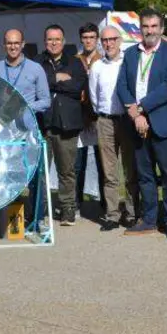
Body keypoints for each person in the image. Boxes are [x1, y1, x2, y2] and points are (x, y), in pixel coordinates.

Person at [116, 9, 167, 238]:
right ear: (140, 28)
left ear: (162, 29)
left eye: (154, 26)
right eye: (146, 26)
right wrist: (135, 115)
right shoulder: (130, 53)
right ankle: (149, 218)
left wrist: (142, 108)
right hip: (137, 125)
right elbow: (122, 86)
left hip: (162, 123)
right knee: (144, 174)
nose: (150, 30)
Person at [0, 29, 52, 229]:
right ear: (4, 45)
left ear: (23, 44)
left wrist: (24, 106)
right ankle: (1, 218)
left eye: (16, 43)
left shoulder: (35, 69)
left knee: (34, 176)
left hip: (28, 131)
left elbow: (45, 101)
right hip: (4, 133)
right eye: (9, 43)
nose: (13, 46)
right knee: (4, 173)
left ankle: (37, 218)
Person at [35, 25, 88, 225]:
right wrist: (57, 78)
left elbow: (78, 86)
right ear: (45, 41)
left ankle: (67, 209)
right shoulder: (37, 62)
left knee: (66, 171)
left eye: (57, 39)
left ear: (63, 41)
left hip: (67, 126)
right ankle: (39, 211)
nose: (54, 43)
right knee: (40, 172)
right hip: (43, 125)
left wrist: (49, 83)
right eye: (50, 39)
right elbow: (34, 85)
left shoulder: (74, 62)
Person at [88, 26, 136, 231]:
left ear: (120, 40)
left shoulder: (128, 62)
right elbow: (93, 95)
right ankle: (112, 214)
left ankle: (132, 212)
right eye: (105, 40)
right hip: (105, 120)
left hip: (126, 120)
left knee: (130, 169)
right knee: (109, 171)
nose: (109, 43)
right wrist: (101, 116)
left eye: (112, 39)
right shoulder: (97, 66)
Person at [74, 23, 102, 214]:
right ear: (81, 39)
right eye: (85, 37)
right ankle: (76, 203)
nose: (88, 40)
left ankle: (106, 204)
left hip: (99, 118)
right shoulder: (75, 60)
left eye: (92, 37)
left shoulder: (105, 59)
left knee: (103, 164)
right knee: (78, 164)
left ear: (97, 38)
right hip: (80, 117)